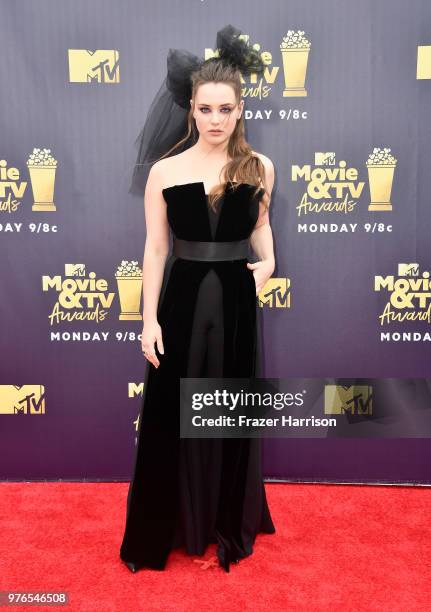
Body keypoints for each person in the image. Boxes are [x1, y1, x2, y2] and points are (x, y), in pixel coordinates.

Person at [120, 24, 276, 573]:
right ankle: (176, 523)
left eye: (225, 109)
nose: (215, 119)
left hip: (235, 301)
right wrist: (147, 321)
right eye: (205, 108)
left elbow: (261, 231)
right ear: (190, 108)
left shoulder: (259, 168)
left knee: (227, 411)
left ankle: (222, 519)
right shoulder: (165, 171)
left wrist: (271, 263)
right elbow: (156, 250)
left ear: (239, 111)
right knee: (176, 411)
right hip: (182, 300)